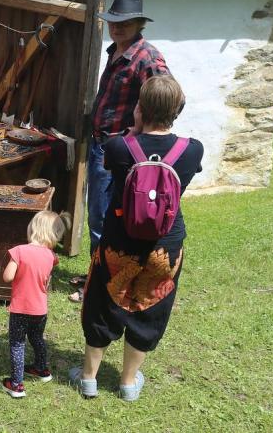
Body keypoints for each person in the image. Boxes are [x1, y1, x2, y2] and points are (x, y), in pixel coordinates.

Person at [70, 77, 203, 402]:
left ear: (140, 108)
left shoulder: (118, 147)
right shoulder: (191, 149)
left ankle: (89, 379)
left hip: (120, 244)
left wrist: (133, 130)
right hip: (165, 247)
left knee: (103, 302)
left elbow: (116, 161)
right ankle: (128, 383)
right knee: (150, 305)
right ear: (177, 111)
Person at [76, 0, 170, 303]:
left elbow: (171, 99)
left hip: (119, 149)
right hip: (101, 143)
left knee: (105, 217)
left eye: (125, 23)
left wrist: (140, 131)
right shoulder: (117, 51)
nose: (117, 28)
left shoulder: (148, 58)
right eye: (114, 22)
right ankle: (97, 272)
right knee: (98, 214)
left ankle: (103, 280)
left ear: (139, 24)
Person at [0, 210, 66, 398]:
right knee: (37, 338)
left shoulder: (19, 251)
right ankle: (41, 368)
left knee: (17, 343)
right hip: (40, 309)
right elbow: (46, 281)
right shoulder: (51, 256)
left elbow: (7, 277)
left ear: (32, 228)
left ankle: (16, 384)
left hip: (21, 308)